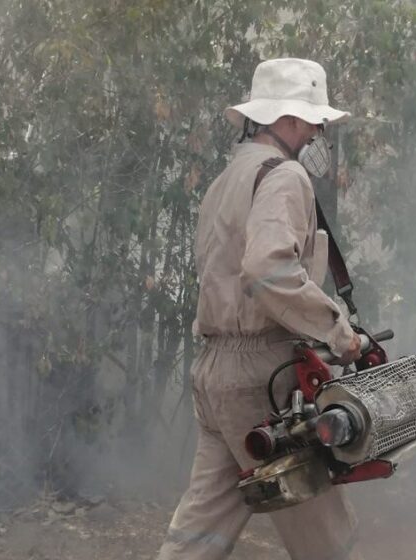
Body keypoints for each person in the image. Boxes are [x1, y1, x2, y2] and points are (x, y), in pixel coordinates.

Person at [157, 58, 364, 560]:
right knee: (324, 534)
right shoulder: (285, 176)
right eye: (313, 123)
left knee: (200, 530)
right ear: (289, 119)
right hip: (260, 380)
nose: (316, 133)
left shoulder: (227, 180)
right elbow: (267, 270)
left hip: (214, 373)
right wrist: (338, 330)